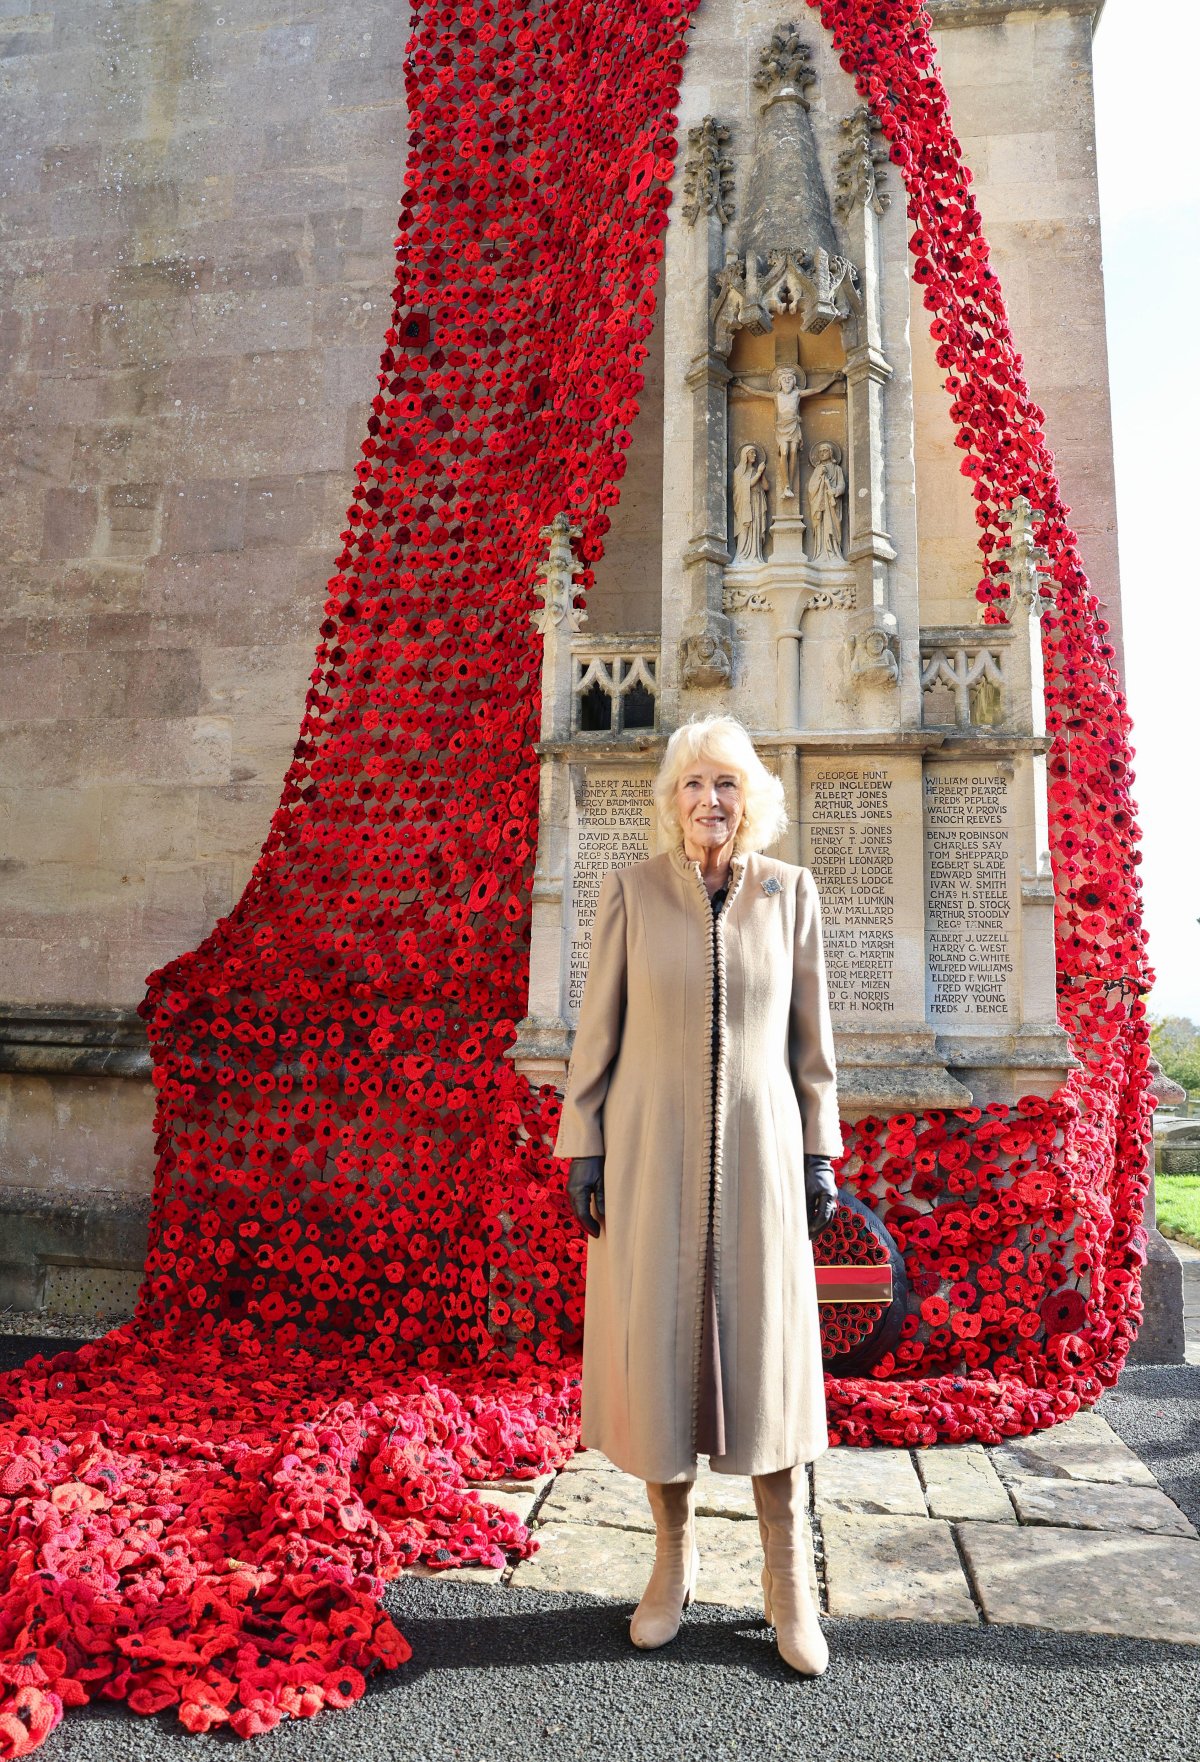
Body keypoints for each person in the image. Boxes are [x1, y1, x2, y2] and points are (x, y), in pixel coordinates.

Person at [553, 713, 842, 1675]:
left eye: (725, 784)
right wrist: (582, 1145)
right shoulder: (632, 893)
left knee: (767, 1354)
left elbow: (813, 1047)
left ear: (749, 797)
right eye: (691, 784)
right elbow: (595, 1033)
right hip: (647, 1150)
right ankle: (671, 1558)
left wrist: (820, 1153)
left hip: (763, 1152)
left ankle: (785, 1570)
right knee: (662, 1349)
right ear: (670, 800)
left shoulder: (788, 893)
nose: (709, 801)